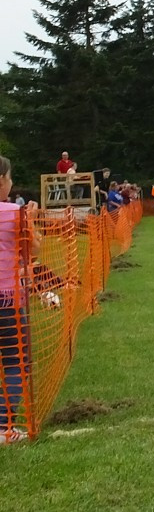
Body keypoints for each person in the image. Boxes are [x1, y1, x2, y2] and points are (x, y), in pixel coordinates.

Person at [1, 155, 40, 443]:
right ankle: (3, 426)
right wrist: (32, 219)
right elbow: (33, 251)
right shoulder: (14, 213)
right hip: (8, 300)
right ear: (2, 181)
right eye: (10, 178)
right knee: (17, 361)